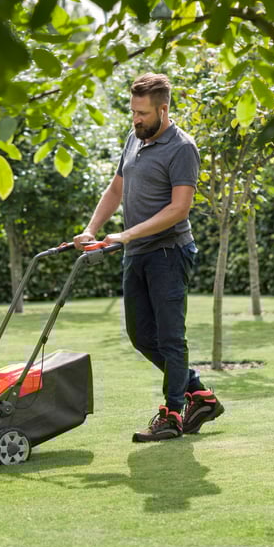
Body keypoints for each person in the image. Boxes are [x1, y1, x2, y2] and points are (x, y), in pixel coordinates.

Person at [74, 73, 224, 442]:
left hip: (169, 253)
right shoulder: (134, 139)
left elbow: (179, 209)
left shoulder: (182, 148)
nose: (136, 119)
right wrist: (92, 229)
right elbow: (117, 187)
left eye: (142, 113)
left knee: (171, 338)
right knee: (141, 335)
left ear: (163, 108)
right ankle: (200, 394)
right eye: (132, 112)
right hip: (137, 253)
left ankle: (172, 414)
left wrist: (125, 234)